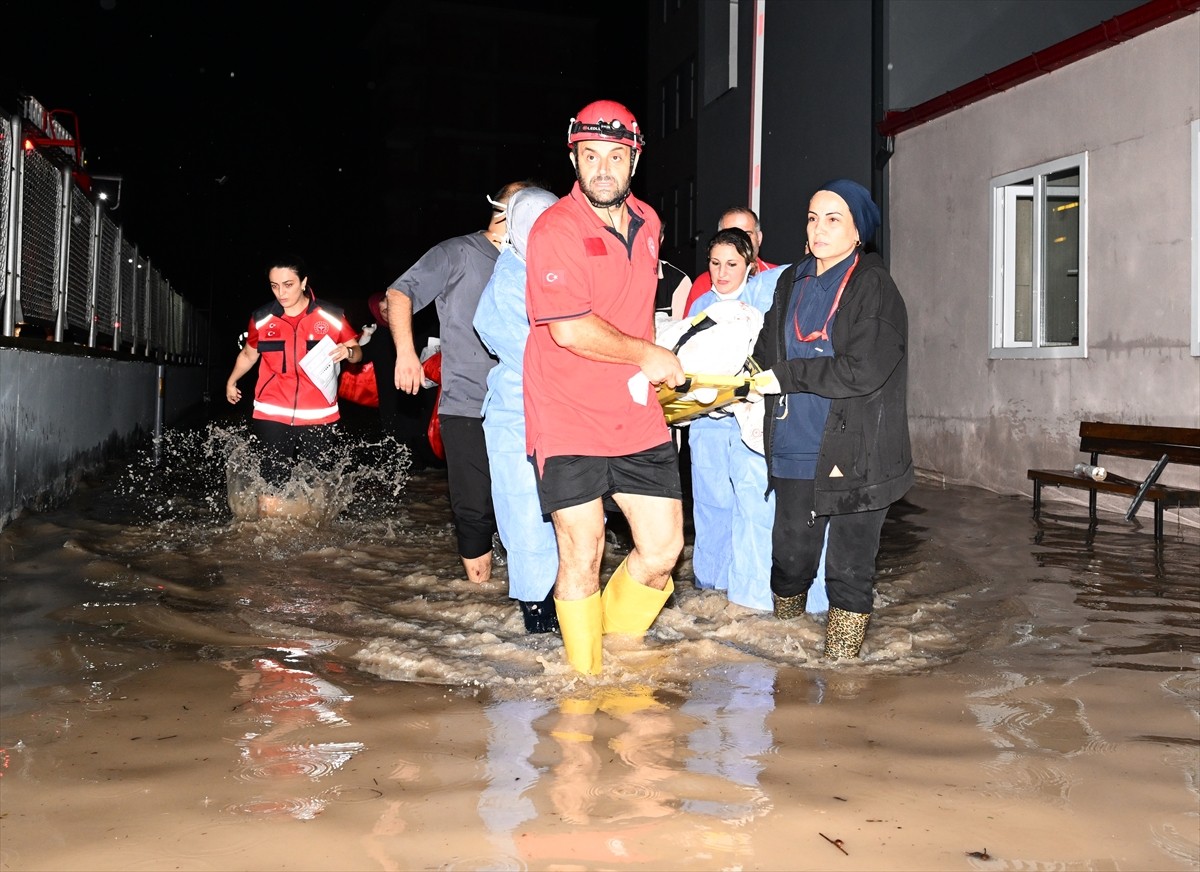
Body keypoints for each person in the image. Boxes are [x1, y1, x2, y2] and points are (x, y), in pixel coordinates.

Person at [523, 99, 686, 674]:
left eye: (615, 157)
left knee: (664, 549)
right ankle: (584, 683)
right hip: (565, 411)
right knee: (583, 546)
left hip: (635, 412)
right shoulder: (554, 228)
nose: (602, 168)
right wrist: (647, 352)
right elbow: (568, 328)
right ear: (574, 156)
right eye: (589, 155)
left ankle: (615, 653)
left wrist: (664, 351)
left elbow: (635, 310)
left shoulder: (649, 223)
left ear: (633, 161)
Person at [751, 179, 912, 658]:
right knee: (790, 562)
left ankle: (844, 676)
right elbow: (766, 352)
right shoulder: (790, 281)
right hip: (795, 448)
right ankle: (788, 661)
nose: (819, 228)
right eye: (812, 217)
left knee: (848, 571)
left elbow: (865, 369)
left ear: (858, 230)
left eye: (833, 219)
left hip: (858, 454)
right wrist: (731, 379)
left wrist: (789, 374)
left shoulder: (875, 288)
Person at [386, 181, 532, 583]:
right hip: (466, 403)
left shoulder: (535, 260)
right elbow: (399, 293)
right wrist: (406, 353)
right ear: (509, 210)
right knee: (473, 510)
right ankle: (478, 604)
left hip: (525, 404)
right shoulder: (457, 252)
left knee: (530, 508)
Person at [473, 185, 563, 634]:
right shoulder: (508, 279)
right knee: (526, 513)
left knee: (563, 512)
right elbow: (531, 350)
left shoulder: (552, 270)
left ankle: (561, 608)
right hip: (517, 412)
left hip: (559, 411)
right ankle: (537, 614)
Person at [684, 228, 782, 612]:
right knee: (710, 506)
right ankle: (710, 591)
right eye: (714, 264)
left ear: (749, 266)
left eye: (731, 264)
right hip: (706, 424)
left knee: (754, 508)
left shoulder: (758, 303)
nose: (722, 273)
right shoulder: (700, 308)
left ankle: (750, 599)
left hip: (750, 425)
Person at [225, 255, 360, 514]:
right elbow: (248, 354)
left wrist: (349, 353)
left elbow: (356, 351)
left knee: (318, 484)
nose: (281, 292)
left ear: (304, 282)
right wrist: (232, 381)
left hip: (319, 414)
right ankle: (270, 534)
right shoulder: (262, 319)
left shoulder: (331, 316)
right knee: (271, 482)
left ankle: (314, 540)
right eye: (274, 286)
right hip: (272, 410)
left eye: (288, 284)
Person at [682, 207, 776, 317]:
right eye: (730, 235)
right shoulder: (702, 285)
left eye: (746, 234)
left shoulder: (780, 279)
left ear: (758, 238)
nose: (739, 241)